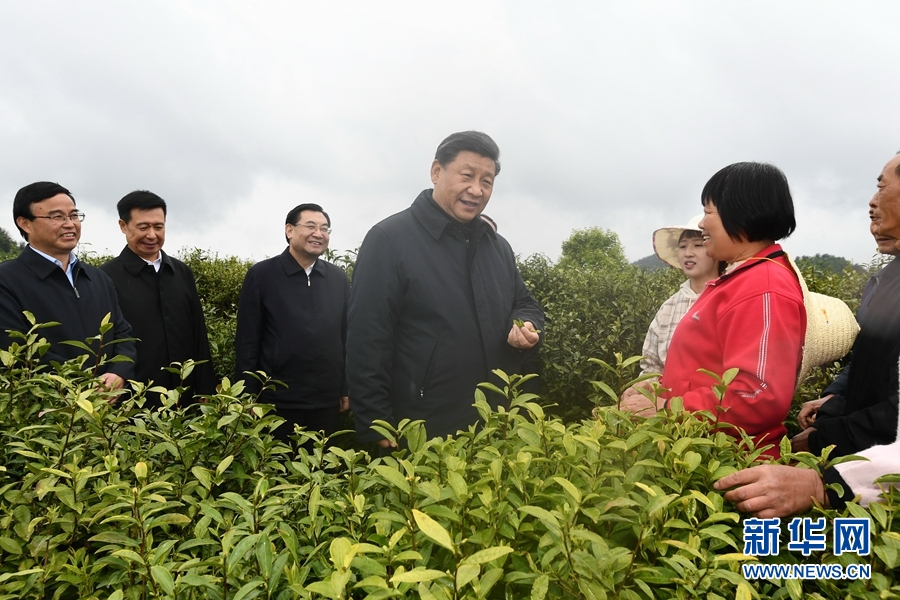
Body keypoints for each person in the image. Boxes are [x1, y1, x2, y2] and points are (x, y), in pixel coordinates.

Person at [347, 131, 544, 447]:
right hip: (424, 428)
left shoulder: (496, 246)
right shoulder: (389, 239)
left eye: (487, 181)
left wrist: (527, 325)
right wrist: (375, 423)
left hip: (498, 425)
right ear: (436, 171)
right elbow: (367, 339)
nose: (476, 190)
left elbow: (525, 303)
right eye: (467, 176)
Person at [621, 162, 806, 458]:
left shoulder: (764, 286)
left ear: (741, 213)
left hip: (732, 461)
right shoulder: (740, 280)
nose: (703, 224)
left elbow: (757, 394)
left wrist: (667, 409)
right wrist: (657, 392)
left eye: (708, 212)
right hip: (702, 453)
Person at [793, 169, 900, 458]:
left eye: (882, 188)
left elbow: (893, 411)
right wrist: (835, 397)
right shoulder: (882, 282)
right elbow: (870, 364)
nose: (872, 202)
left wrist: (826, 438)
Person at [0, 181, 135, 389]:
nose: (70, 224)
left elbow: (122, 333)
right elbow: (16, 350)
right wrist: (87, 386)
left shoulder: (98, 278)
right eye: (56, 217)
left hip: (108, 404)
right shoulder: (7, 279)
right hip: (49, 403)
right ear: (25, 223)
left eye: (73, 215)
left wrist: (119, 373)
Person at [715, 368, 900, 518]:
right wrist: (834, 396)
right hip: (850, 449)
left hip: (868, 472)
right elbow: (870, 358)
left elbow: (889, 418)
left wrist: (820, 484)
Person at [235, 203, 349, 443]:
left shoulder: (337, 278)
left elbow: (346, 336)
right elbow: (247, 341)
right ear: (289, 230)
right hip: (277, 401)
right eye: (311, 226)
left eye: (325, 229)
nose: (318, 234)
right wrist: (248, 394)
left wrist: (345, 388)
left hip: (327, 402)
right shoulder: (262, 275)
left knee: (323, 464)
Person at [100, 191, 216, 403]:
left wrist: (206, 389)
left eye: (158, 227)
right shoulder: (105, 277)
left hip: (185, 398)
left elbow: (198, 334)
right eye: (143, 227)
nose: (152, 235)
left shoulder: (181, 272)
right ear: (123, 226)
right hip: (134, 401)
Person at [638, 215, 724, 377]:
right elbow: (651, 368)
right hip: (667, 393)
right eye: (683, 246)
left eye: (698, 245)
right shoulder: (668, 308)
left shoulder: (728, 299)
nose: (688, 253)